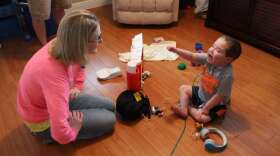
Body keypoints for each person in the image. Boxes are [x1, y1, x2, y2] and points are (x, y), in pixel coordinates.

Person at [17, 10, 116, 144]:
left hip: (52, 99)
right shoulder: (54, 77)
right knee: (109, 119)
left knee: (110, 106)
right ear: (82, 44)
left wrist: (77, 86)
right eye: (97, 37)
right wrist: (74, 129)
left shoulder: (65, 44)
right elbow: (60, 134)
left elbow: (80, 65)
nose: (101, 40)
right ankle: (44, 135)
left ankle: (65, 111)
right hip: (42, 120)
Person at [167, 35, 242, 123]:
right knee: (183, 88)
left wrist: (206, 108)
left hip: (215, 103)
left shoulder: (227, 76)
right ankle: (183, 110)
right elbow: (192, 56)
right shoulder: (208, 58)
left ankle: (189, 107)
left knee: (202, 118)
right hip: (201, 93)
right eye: (213, 46)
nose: (211, 50)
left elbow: (219, 96)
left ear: (228, 59)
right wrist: (177, 50)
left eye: (218, 50)